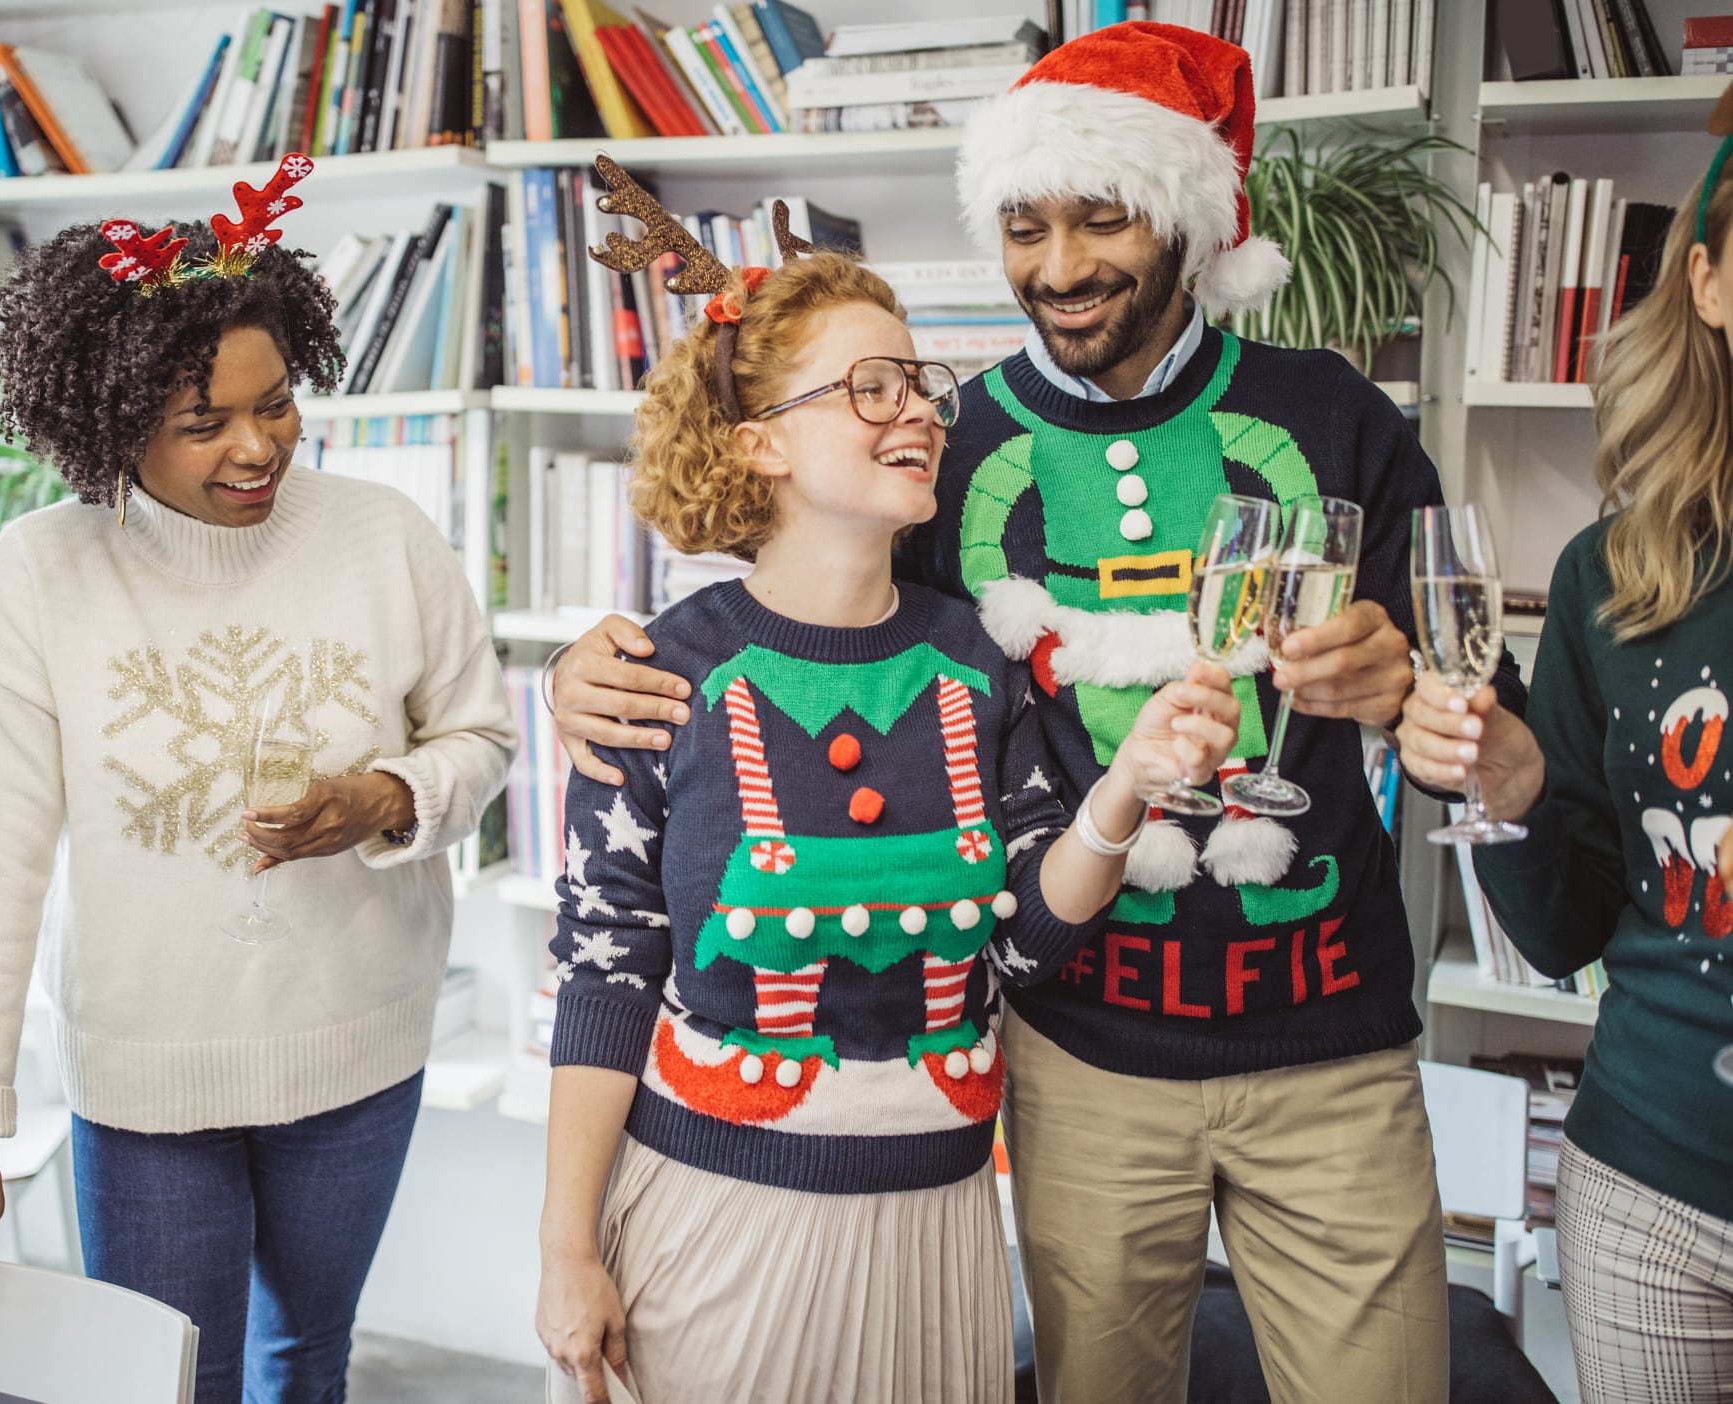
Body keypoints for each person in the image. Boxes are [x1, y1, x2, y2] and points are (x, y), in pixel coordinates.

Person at [547, 25, 1522, 1404]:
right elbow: (812, 609)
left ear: (1183, 216)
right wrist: (585, 664)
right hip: (1076, 1056)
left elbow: (1474, 704)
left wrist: (1407, 690)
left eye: (1101, 217)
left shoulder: (1329, 413)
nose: (1058, 268)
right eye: (1022, 225)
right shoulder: (957, 447)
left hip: (1331, 1049)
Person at [535, 218, 1243, 1402]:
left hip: (939, 1228)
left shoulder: (979, 659)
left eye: (918, 383)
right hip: (714, 1226)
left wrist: (1123, 793)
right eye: (869, 387)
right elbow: (605, 967)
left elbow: (1023, 941)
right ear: (760, 444)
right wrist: (565, 1250)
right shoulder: (657, 676)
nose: (916, 410)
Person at [0, 163, 518, 1404]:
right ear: (113, 423)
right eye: (203, 422)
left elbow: (479, 740)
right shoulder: (42, 570)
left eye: (275, 406)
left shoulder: (383, 535)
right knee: (170, 1380)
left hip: (357, 1049)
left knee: (304, 1359)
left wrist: (383, 798)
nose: (256, 445)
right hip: (146, 1072)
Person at [1396, 103, 1733, 1403]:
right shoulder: (1618, 574)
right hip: (1648, 1190)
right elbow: (1565, 931)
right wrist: (1518, 788)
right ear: (1703, 280)